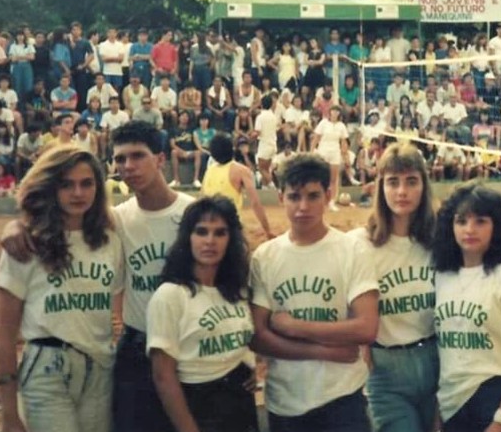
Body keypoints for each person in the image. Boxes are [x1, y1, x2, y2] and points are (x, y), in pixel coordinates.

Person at [0, 120, 197, 432]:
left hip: (186, 341)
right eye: (120, 159)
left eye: (137, 156)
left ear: (161, 159)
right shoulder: (115, 221)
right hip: (134, 344)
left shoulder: (194, 214)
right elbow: (65, 219)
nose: (128, 166)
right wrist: (18, 225)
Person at [0, 146, 123, 432]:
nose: (78, 193)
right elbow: (4, 334)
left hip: (100, 366)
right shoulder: (26, 243)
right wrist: (8, 414)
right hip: (46, 368)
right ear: (50, 186)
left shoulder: (110, 238)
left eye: (87, 183)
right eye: (66, 184)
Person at [249, 153, 378, 431]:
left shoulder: (352, 250)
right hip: (285, 401)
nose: (303, 207)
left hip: (342, 396)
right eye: (294, 196)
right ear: (281, 196)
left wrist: (295, 326)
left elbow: (366, 328)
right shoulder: (264, 257)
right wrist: (325, 351)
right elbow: (259, 337)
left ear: (328, 194)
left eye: (313, 196)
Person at [146, 196, 258, 432]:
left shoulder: (236, 289)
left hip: (241, 406)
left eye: (220, 233)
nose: (210, 241)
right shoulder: (170, 295)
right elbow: (163, 376)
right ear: (188, 237)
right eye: (201, 231)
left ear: (231, 239)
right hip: (199, 406)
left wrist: (248, 363)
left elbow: (245, 337)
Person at [431, 183, 501, 432]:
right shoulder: (441, 275)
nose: (470, 229)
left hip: (494, 396)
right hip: (451, 403)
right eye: (461, 221)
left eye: (480, 221)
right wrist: (438, 413)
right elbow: (443, 353)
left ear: (495, 226)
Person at [349, 142, 438, 432]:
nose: (402, 192)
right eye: (393, 182)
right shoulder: (360, 244)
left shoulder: (440, 240)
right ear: (380, 186)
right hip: (385, 366)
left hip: (437, 360)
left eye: (411, 182)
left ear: (424, 186)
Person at [200, 133, 275, 240]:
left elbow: (202, 197)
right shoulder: (241, 170)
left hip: (208, 223)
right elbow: (255, 202)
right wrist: (267, 230)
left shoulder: (209, 170)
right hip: (230, 225)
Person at [311, 105, 350, 211]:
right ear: (330, 112)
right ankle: (318, 200)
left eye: (337, 111)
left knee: (334, 178)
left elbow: (344, 142)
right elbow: (316, 138)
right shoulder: (323, 123)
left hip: (335, 152)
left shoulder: (341, 126)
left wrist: (345, 156)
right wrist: (311, 151)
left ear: (339, 113)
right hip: (323, 150)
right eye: (333, 111)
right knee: (319, 177)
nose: (335, 113)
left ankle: (332, 201)